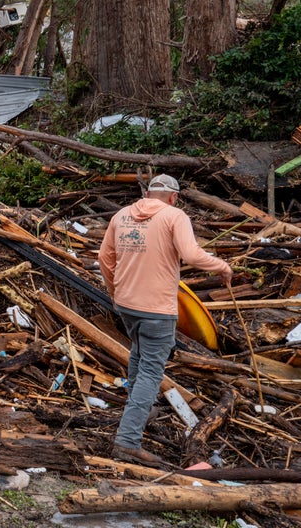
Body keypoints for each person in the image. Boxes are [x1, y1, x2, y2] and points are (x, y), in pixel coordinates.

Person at [98, 173, 232, 466]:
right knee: (150, 371)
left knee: (138, 353)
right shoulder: (175, 216)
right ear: (174, 197)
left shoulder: (121, 216)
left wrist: (115, 291)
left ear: (148, 194)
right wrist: (222, 266)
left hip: (127, 304)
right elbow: (191, 254)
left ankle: (140, 411)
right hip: (157, 308)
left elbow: (104, 259)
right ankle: (127, 441)